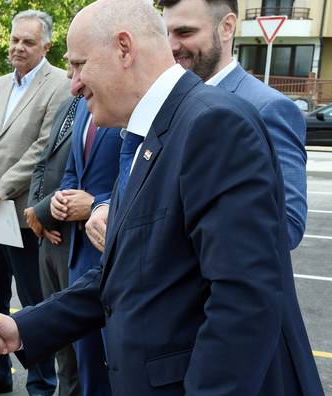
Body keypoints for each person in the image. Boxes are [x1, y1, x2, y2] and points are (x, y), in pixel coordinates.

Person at [0, 0, 332, 396]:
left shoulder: (212, 124)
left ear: (124, 48)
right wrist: (25, 328)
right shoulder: (151, 132)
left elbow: (244, 302)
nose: (74, 85)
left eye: (79, 66)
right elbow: (124, 272)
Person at [85, 0, 308, 253]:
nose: (171, 45)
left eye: (185, 32)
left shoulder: (266, 107)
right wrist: (108, 206)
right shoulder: (163, 100)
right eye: (166, 33)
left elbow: (286, 224)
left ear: (227, 28)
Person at [0, 9, 69, 396]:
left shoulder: (58, 84)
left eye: (28, 42)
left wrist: (1, 189)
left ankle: (42, 386)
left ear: (46, 46)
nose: (18, 48)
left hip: (23, 214)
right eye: (14, 40)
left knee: (33, 302)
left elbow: (44, 150)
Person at [50, 98, 123, 396]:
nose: (73, 78)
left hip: (116, 255)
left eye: (80, 65)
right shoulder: (82, 105)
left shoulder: (129, 104)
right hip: (81, 257)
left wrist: (95, 203)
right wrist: (58, 201)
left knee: (122, 372)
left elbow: (141, 181)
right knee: (90, 369)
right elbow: (71, 171)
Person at [16, 94, 82, 396]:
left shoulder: (108, 108)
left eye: (79, 65)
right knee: (60, 333)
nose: (73, 78)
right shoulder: (69, 104)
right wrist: (35, 213)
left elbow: (91, 176)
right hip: (49, 233)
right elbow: (44, 163)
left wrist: (44, 213)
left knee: (84, 336)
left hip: (79, 235)